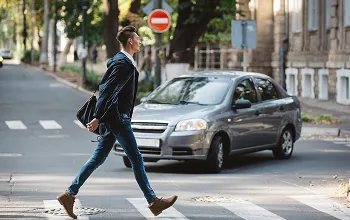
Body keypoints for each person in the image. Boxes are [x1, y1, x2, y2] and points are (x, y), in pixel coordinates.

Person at [56, 26, 177, 219]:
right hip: (118, 118)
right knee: (136, 159)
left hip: (115, 117)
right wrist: (97, 117)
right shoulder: (122, 63)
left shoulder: (125, 61)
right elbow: (107, 91)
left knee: (98, 158)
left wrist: (101, 117)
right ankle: (153, 201)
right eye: (137, 38)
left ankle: (69, 194)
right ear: (130, 41)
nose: (139, 41)